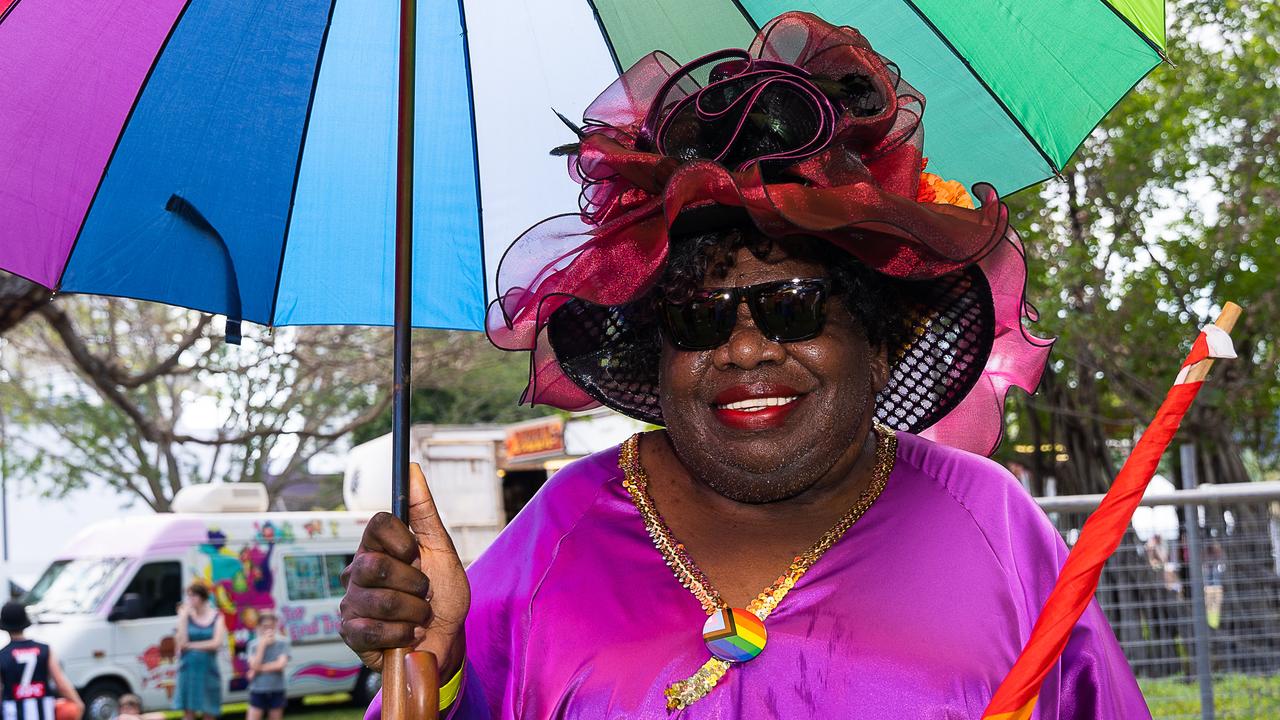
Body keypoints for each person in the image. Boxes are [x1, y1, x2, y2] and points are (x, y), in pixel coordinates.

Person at [339, 13, 1152, 719]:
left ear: (876, 339)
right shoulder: (557, 534)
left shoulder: (998, 530)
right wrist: (436, 671)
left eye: (793, 306)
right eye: (697, 315)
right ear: (655, 347)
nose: (745, 348)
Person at [1, 602, 83, 720]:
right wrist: (78, 703)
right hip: (44, 712)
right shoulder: (44, 649)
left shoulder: (3, 655)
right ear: (25, 622)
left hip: (13, 713)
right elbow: (61, 684)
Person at [173, 583, 226, 720]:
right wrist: (183, 617)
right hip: (188, 669)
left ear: (203, 597)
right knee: (188, 712)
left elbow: (216, 643)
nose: (190, 599)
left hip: (208, 669)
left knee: (209, 710)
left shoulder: (217, 616)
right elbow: (182, 643)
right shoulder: (187, 617)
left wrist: (191, 645)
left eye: (193, 595)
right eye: (188, 596)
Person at [245, 611, 290, 720]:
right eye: (265, 626)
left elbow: (280, 665)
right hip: (258, 689)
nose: (269, 629)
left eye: (271, 626)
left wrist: (258, 669)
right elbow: (253, 665)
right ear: (259, 627)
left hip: (276, 688)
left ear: (275, 625)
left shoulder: (283, 642)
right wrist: (262, 645)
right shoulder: (253, 645)